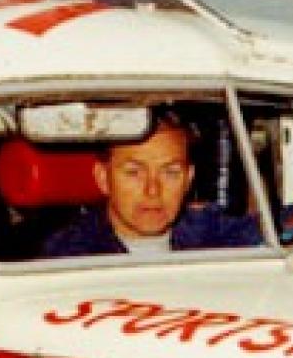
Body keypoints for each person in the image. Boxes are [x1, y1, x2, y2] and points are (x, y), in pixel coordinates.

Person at [40, 109, 263, 257]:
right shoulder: (69, 255)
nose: (153, 190)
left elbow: (274, 232)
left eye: (170, 172)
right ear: (103, 178)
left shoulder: (209, 231)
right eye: (134, 173)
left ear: (188, 179)